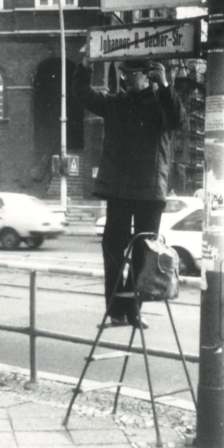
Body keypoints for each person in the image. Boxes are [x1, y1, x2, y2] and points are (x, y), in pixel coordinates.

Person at [71, 54, 185, 329]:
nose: (126, 80)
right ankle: (115, 309)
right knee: (112, 250)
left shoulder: (163, 103)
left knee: (144, 255)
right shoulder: (116, 103)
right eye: (124, 75)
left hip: (149, 191)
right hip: (120, 189)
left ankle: (133, 310)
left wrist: (167, 85)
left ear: (149, 76)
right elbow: (83, 94)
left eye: (132, 75)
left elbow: (177, 120)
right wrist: (85, 66)